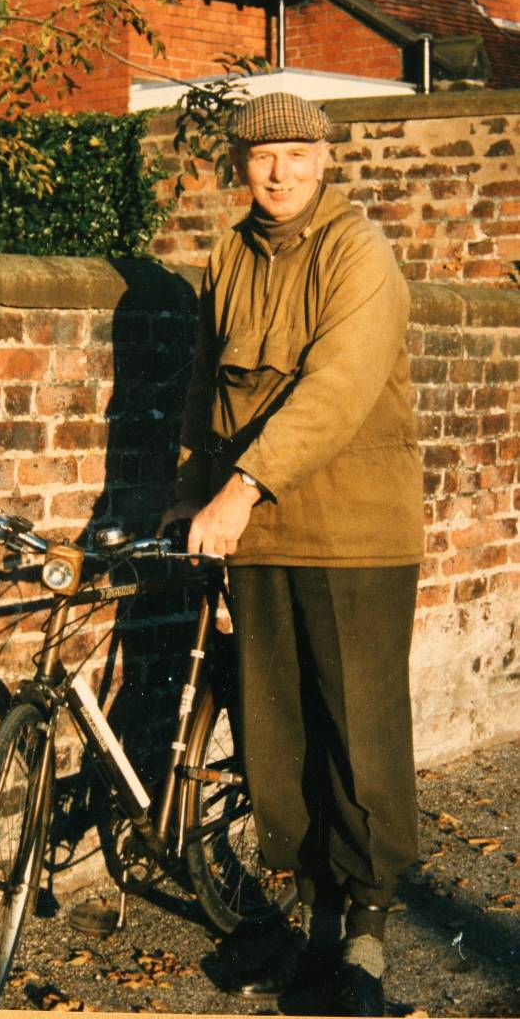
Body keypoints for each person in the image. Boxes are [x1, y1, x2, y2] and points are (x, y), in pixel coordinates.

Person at [161, 91, 424, 1016]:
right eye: (261, 157)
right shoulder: (231, 255)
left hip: (355, 535)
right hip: (260, 534)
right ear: (240, 166)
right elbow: (206, 388)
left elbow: (337, 388)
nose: (279, 172)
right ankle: (315, 919)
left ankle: (369, 931)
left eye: (297, 156)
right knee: (279, 736)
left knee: (358, 735)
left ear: (325, 162)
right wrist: (193, 488)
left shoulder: (360, 254)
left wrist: (237, 492)